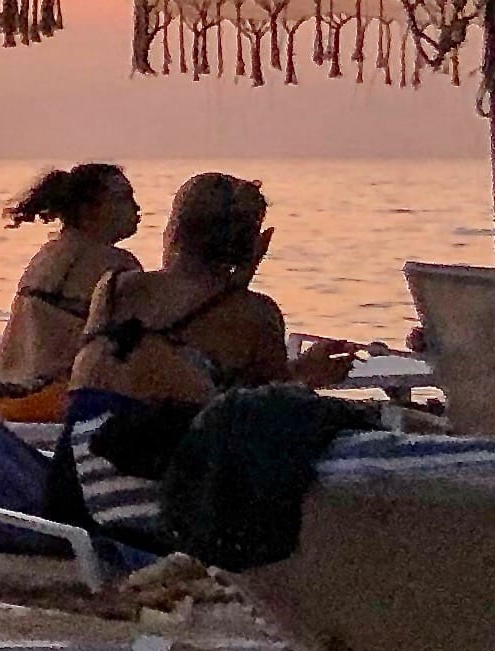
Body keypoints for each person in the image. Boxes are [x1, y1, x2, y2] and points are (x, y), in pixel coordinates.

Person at [50, 171, 357, 549]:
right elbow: (256, 413)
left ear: (175, 230)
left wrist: (237, 282)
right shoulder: (255, 314)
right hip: (146, 502)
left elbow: (164, 366)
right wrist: (308, 376)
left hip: (70, 491)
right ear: (249, 242)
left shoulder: (114, 287)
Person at [0, 164, 139, 418]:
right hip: (56, 399)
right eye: (123, 198)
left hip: (6, 390)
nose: (136, 207)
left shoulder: (47, 255)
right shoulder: (116, 264)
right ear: (89, 211)